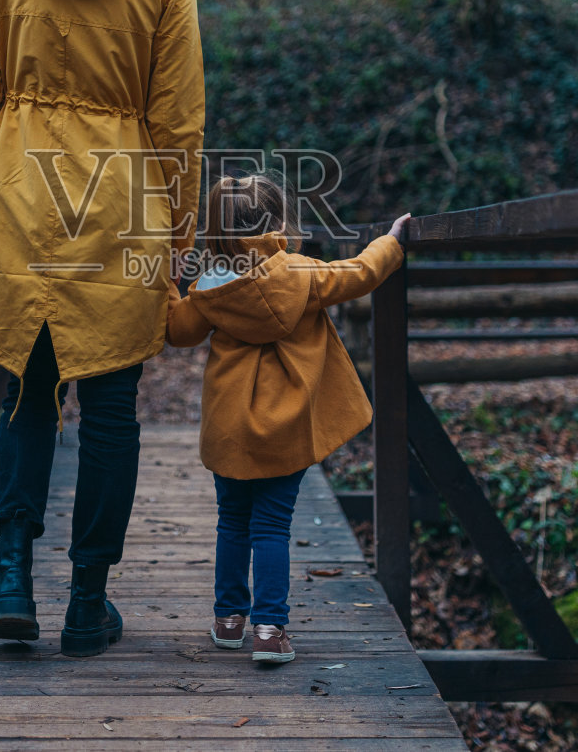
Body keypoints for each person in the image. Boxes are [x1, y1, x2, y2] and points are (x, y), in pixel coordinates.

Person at [0, 0, 204, 657]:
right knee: (110, 410)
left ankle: (12, 580)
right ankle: (87, 603)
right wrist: (179, 236)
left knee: (27, 395)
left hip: (20, 197)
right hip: (119, 206)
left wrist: (0, 174)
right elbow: (178, 121)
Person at [167, 174, 410, 663]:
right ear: (278, 224)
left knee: (232, 522)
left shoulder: (209, 287)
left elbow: (178, 331)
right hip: (286, 427)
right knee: (272, 526)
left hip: (230, 427)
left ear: (218, 229)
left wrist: (171, 287)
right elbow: (361, 273)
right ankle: (269, 631)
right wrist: (391, 240)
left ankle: (228, 621)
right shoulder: (302, 274)